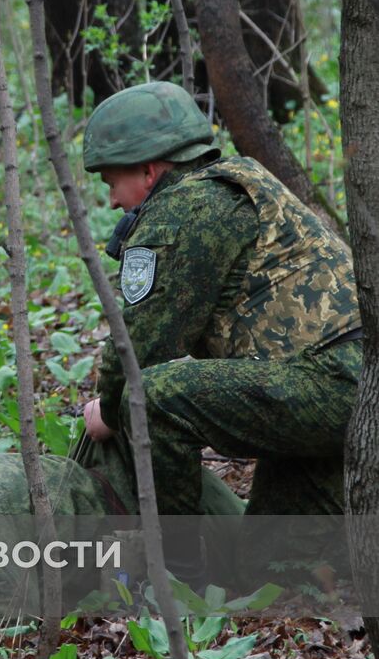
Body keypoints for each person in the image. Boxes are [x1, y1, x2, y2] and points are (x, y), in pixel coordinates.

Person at [81, 81, 361, 579]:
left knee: (157, 397)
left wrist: (105, 407)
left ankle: (177, 574)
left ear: (148, 171)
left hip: (332, 385)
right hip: (342, 385)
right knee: (267, 573)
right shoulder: (239, 179)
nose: (110, 201)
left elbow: (139, 346)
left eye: (111, 182)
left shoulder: (184, 211)